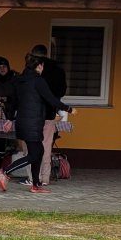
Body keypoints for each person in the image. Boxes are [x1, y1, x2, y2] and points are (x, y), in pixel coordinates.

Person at [0, 54, 73, 194]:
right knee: (34, 154)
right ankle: (5, 171)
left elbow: (14, 103)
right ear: (39, 66)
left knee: (38, 152)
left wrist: (9, 119)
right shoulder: (38, 81)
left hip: (24, 122)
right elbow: (51, 99)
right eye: (42, 66)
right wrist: (69, 109)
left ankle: (35, 185)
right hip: (33, 123)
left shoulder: (19, 81)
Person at [31, 44, 69, 186]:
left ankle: (32, 178)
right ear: (46, 53)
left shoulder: (33, 69)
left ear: (34, 55)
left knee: (31, 147)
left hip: (34, 113)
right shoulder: (59, 70)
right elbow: (62, 91)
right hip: (50, 112)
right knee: (46, 146)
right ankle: (45, 178)